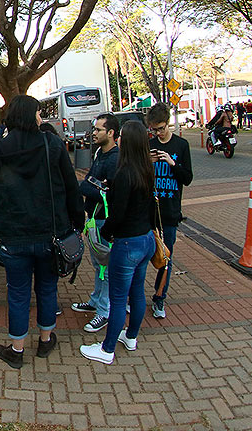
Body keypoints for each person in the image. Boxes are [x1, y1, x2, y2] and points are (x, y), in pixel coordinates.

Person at [0, 95, 83, 369]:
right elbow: (71, 186)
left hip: (13, 236)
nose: (41, 117)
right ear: (31, 115)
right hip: (51, 232)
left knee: (17, 293)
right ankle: (45, 339)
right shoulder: (52, 144)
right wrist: (78, 222)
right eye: (39, 112)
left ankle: (16, 349)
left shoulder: (0, 149)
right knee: (47, 288)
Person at [79, 120, 158, 364]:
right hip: (146, 240)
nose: (119, 139)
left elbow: (118, 213)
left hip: (127, 244)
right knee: (137, 293)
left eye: (122, 136)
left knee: (118, 297)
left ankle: (107, 348)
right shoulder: (146, 168)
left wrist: (108, 233)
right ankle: (131, 336)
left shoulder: (125, 173)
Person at [72, 113, 120, 332]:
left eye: (99, 129)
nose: (94, 133)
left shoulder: (115, 160)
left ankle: (104, 311)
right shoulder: (101, 153)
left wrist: (92, 186)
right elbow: (89, 183)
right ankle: (95, 301)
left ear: (110, 133)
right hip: (93, 220)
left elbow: (108, 192)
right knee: (99, 265)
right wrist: (93, 185)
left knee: (107, 268)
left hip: (104, 222)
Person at [147, 103, 193, 319]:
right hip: (148, 212)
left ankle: (159, 298)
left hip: (170, 212)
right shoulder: (149, 145)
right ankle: (134, 298)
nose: (158, 133)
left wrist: (172, 163)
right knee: (140, 256)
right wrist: (148, 162)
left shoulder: (181, 145)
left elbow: (188, 178)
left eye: (162, 128)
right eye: (154, 130)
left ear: (169, 123)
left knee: (165, 258)